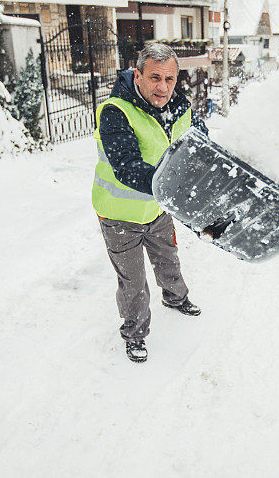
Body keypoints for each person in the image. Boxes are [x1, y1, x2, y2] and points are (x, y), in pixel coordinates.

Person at [92, 43, 209, 363]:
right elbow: (127, 166)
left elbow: (202, 145)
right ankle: (134, 333)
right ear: (137, 75)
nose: (163, 87)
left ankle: (175, 298)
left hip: (157, 210)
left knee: (169, 259)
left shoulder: (180, 108)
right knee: (133, 282)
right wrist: (178, 192)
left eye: (170, 79)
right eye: (155, 77)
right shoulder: (116, 111)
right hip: (119, 216)